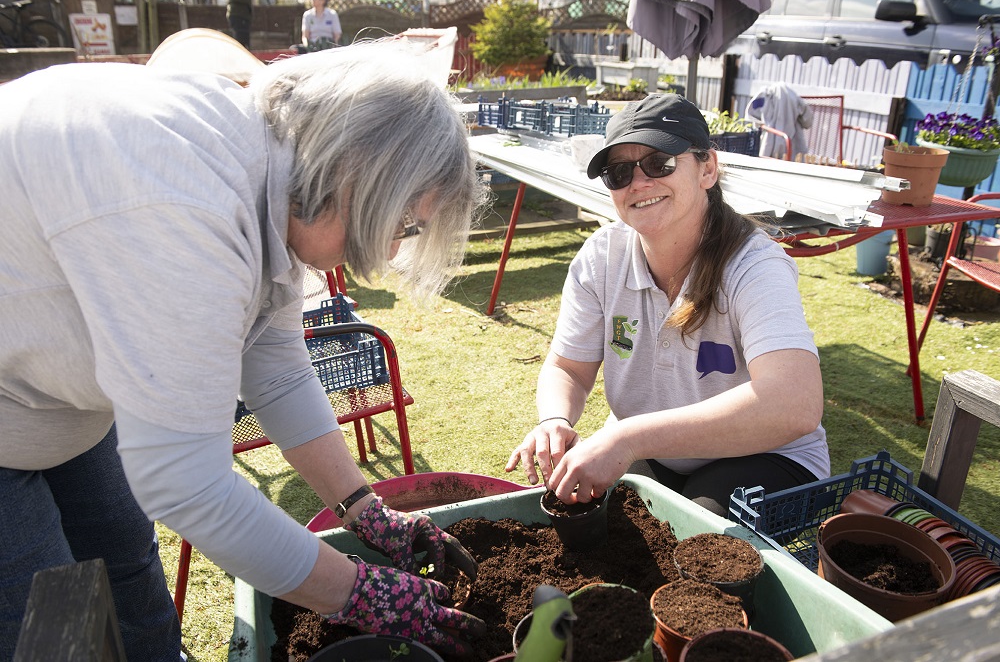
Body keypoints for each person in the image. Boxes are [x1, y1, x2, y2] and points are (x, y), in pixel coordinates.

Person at [0, 41, 488, 661]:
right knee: (52, 630)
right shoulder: (184, 202)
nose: (391, 251)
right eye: (404, 222)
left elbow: (277, 369)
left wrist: (365, 509)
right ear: (358, 171)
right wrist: (360, 592)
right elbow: (187, 483)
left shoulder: (271, 177)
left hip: (57, 406)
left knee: (124, 570)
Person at [506, 93, 830, 517]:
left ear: (707, 168)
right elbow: (568, 367)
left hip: (767, 456)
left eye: (660, 163)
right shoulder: (602, 257)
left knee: (695, 543)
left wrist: (628, 438)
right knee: (600, 527)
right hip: (659, 451)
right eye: (619, 173)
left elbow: (794, 405)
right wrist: (555, 419)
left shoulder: (755, 266)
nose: (639, 183)